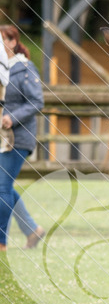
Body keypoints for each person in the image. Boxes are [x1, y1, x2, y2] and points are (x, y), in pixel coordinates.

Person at [0, 25, 45, 251]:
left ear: (12, 42)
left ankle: (1, 242)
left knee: (2, 187)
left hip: (18, 138)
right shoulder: (2, 69)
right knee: (4, 186)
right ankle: (31, 229)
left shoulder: (25, 68)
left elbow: (37, 101)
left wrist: (12, 118)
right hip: (2, 139)